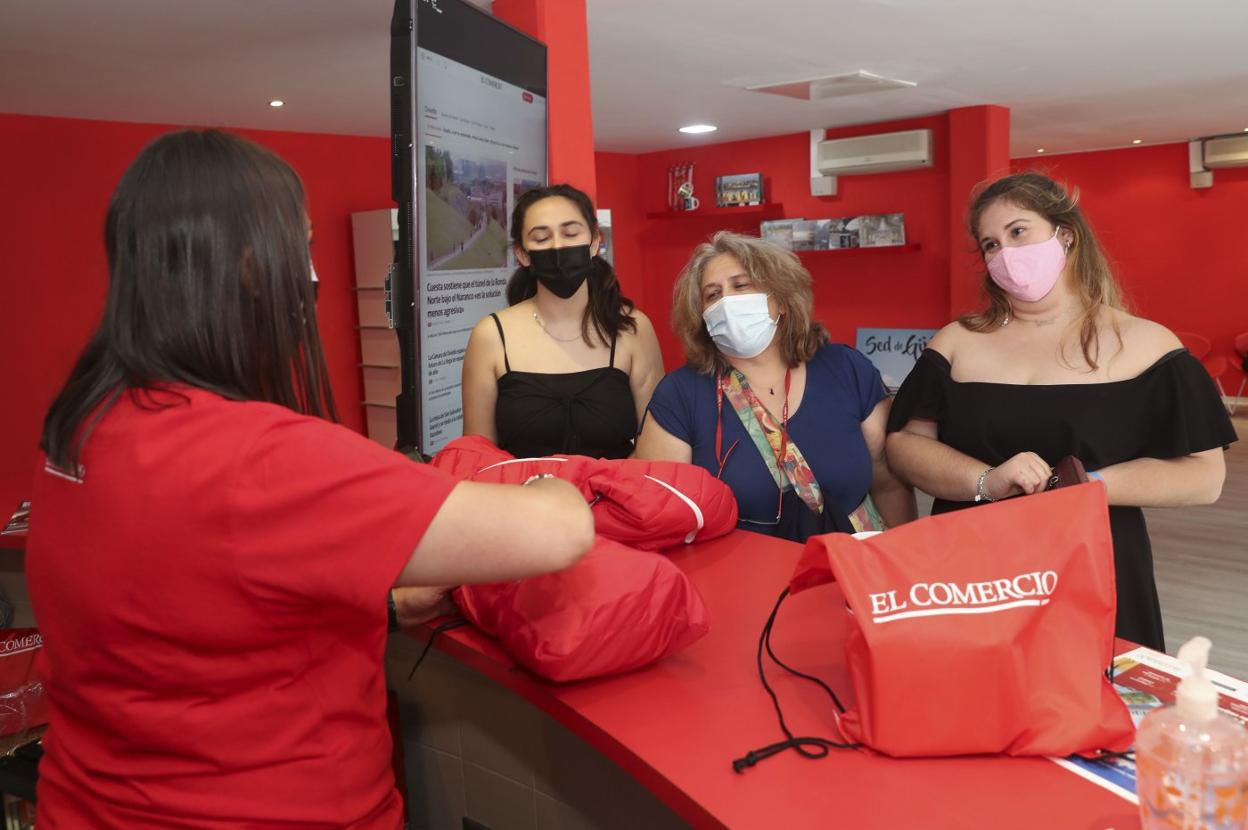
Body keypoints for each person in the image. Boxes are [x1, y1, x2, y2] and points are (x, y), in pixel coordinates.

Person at [25, 130, 594, 830]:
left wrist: (382, 608)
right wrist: (546, 477)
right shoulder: (265, 458)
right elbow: (561, 532)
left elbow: (187, 604)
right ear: (251, 267)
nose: (311, 273)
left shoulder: (79, 424)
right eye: (303, 247)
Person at [885, 171, 1235, 651]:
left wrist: (1087, 485)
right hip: (971, 568)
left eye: (1018, 232)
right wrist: (986, 480)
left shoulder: (1146, 344)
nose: (1004, 253)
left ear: (1065, 235)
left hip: (1092, 564)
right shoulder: (956, 342)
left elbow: (1204, 476)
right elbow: (905, 444)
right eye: (990, 244)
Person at [633, 231, 916, 542]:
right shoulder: (680, 396)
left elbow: (888, 483)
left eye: (741, 285)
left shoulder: (846, 370)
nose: (727, 301)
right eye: (712, 295)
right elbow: (662, 517)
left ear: (780, 299)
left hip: (853, 563)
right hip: (744, 570)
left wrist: (903, 556)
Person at [461, 184, 663, 459]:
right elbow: (477, 454)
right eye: (541, 238)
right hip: (520, 487)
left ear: (594, 242)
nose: (558, 246)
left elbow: (654, 446)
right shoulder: (492, 335)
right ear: (522, 254)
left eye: (570, 233)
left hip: (619, 485)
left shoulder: (632, 328)